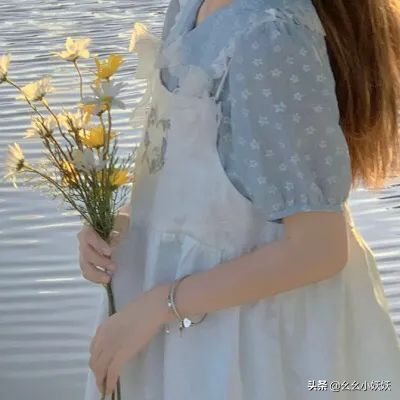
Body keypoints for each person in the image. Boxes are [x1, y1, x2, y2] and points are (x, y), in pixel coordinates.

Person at [80, 0, 400, 399]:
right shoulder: (191, 7)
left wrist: (159, 306)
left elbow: (319, 248)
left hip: (247, 339)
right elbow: (192, 176)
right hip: (168, 321)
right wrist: (123, 224)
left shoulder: (270, 34)